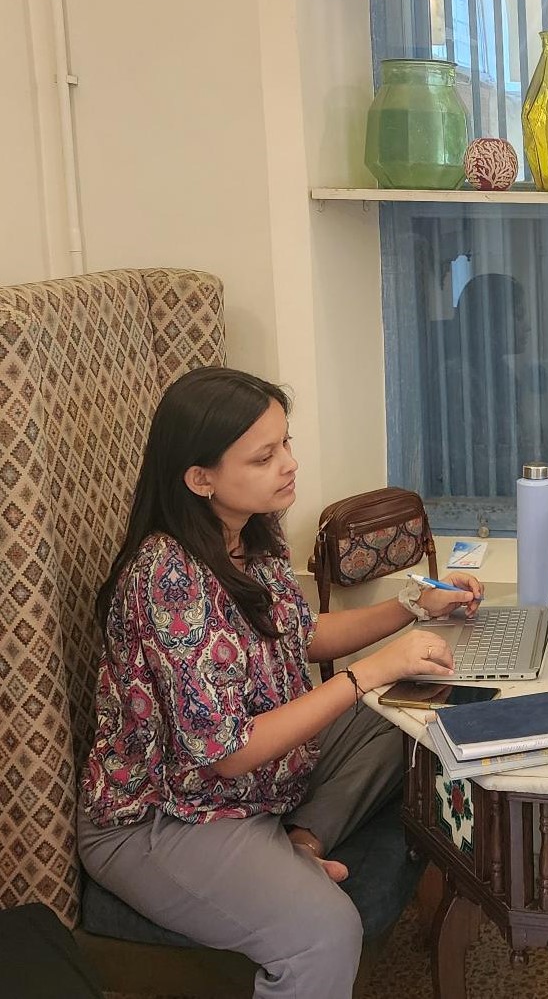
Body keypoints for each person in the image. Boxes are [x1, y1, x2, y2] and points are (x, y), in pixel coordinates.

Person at [77, 367, 483, 999]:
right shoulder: (166, 578)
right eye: (264, 457)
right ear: (200, 478)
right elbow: (229, 752)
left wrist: (414, 604)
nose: (290, 464)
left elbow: (302, 634)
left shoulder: (247, 538)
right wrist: (371, 671)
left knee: (413, 716)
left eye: (285, 443)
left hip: (256, 785)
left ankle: (301, 844)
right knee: (325, 934)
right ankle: (290, 859)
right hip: (168, 817)